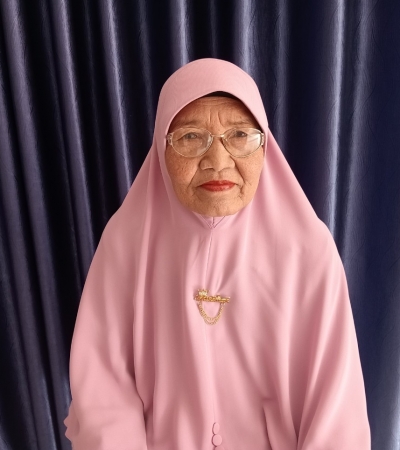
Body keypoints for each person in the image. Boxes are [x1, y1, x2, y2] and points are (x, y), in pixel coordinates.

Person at [64, 58, 371, 449]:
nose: (218, 162)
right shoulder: (125, 243)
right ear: (162, 147)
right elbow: (103, 385)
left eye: (239, 135)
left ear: (265, 145)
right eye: (191, 137)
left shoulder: (307, 249)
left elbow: (336, 406)